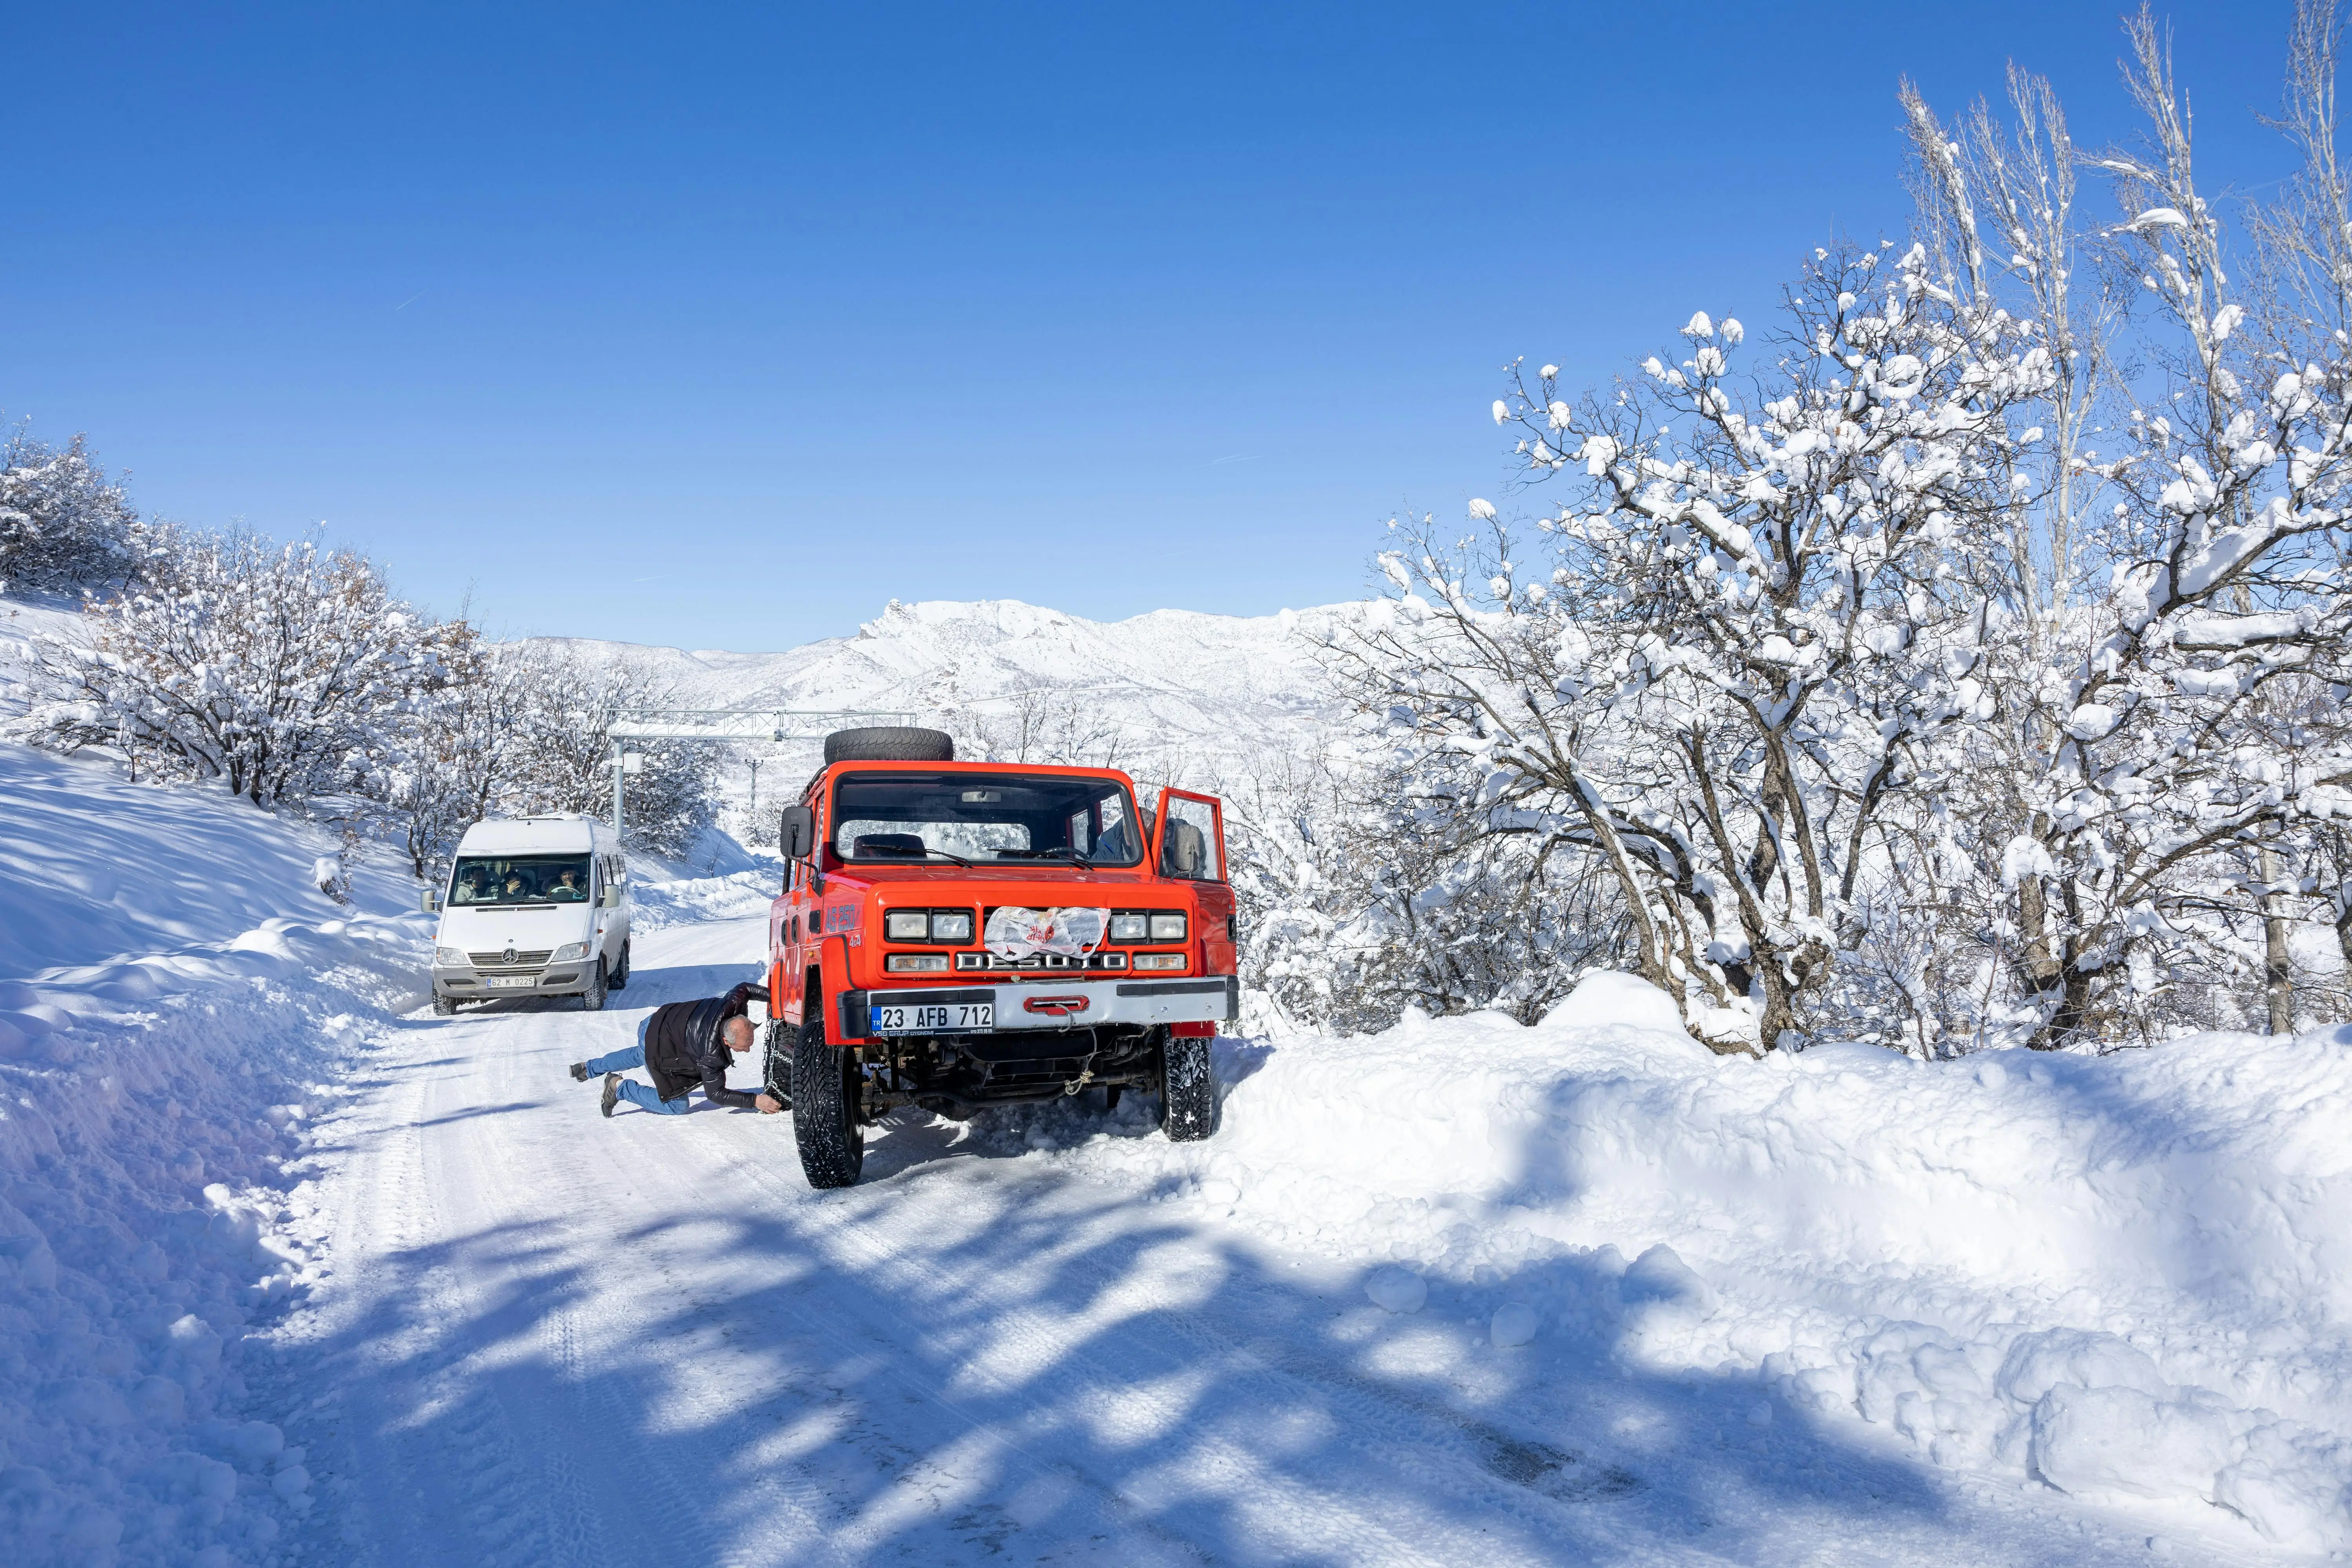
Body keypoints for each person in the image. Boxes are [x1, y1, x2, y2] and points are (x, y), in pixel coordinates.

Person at [568, 981, 784, 1118]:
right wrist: (755, 1101)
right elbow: (716, 1094)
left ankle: (589, 1068)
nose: (746, 1052)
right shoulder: (712, 1055)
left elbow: (745, 987)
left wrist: (778, 999)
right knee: (677, 1105)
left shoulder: (730, 1005)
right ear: (727, 1041)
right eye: (743, 1048)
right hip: (658, 1044)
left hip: (654, 1023)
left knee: (640, 1053)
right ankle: (620, 1088)